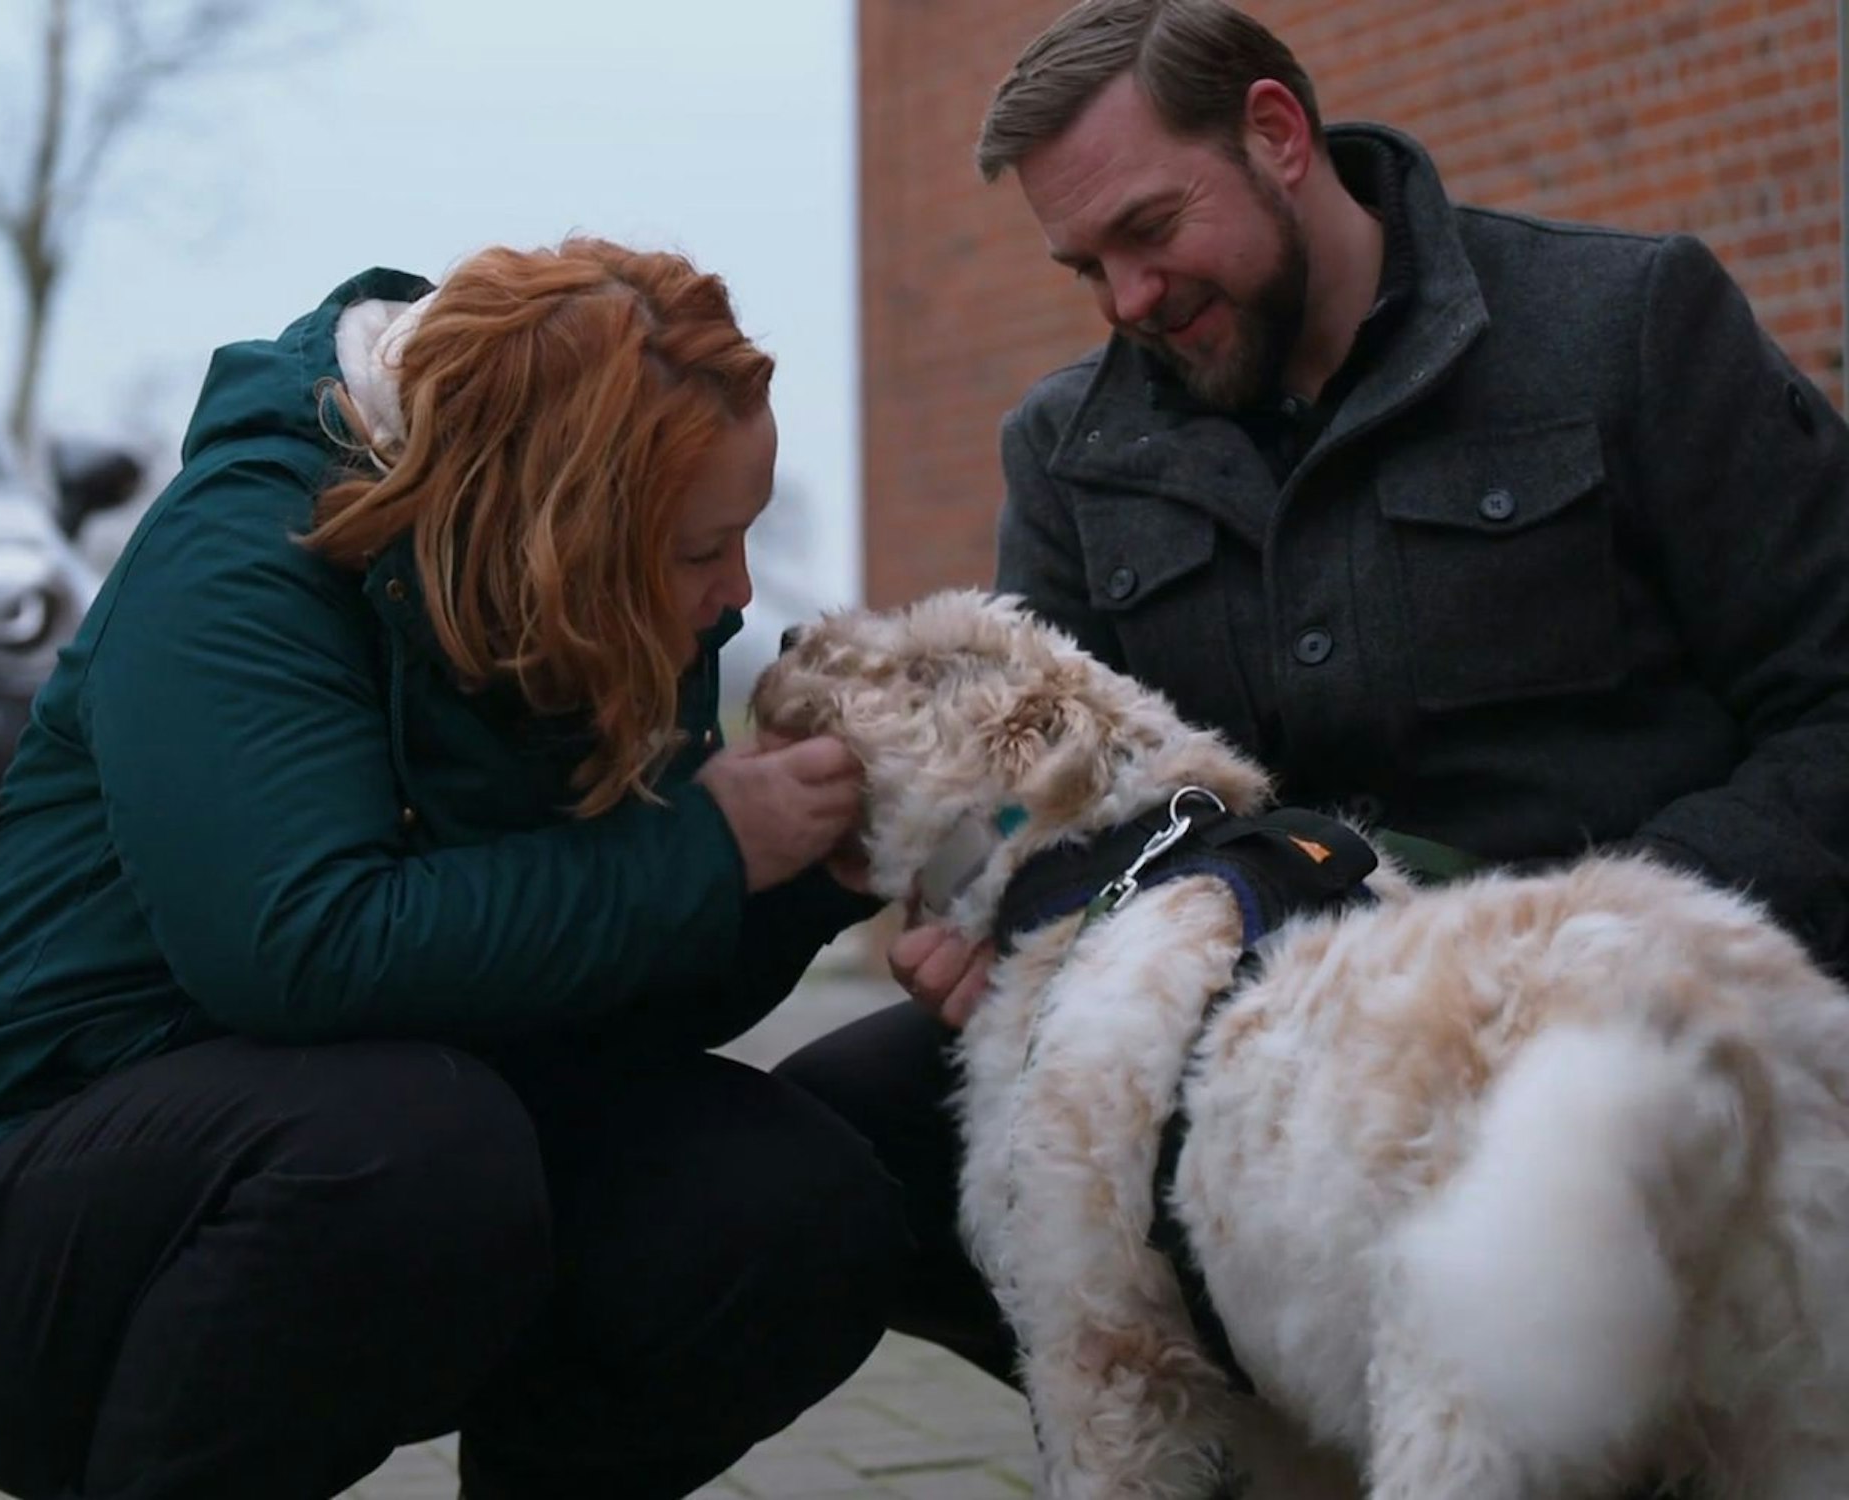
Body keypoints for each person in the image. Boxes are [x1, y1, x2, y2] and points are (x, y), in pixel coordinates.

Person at [778, 0, 1849, 1439]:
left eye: (1151, 231)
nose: (1127, 300)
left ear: (1278, 136)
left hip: (1637, 998)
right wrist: (991, 931)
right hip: (1259, 1073)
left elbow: (1832, 697)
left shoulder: (1629, 327)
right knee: (843, 1139)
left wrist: (1615, 947)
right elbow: (1056, 818)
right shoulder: (1069, 449)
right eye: (1084, 266)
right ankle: (1257, 1417)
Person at [0, 238, 910, 1500]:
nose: (733, 595)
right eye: (697, 552)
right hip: (21, 1234)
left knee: (785, 1200)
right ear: (553, 520)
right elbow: (301, 952)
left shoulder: (591, 592)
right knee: (407, 1146)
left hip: (407, 1179)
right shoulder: (239, 553)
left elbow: (612, 999)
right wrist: (704, 848)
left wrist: (800, 879)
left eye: (741, 538)